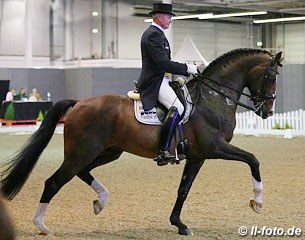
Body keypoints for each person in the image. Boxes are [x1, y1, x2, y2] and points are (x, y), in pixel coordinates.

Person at [137, 3, 198, 166]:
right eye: (169, 17)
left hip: (162, 79)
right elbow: (163, 63)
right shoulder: (153, 35)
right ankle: (163, 150)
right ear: (159, 17)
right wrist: (187, 68)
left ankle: (178, 144)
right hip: (154, 82)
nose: (170, 20)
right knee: (178, 107)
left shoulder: (158, 34)